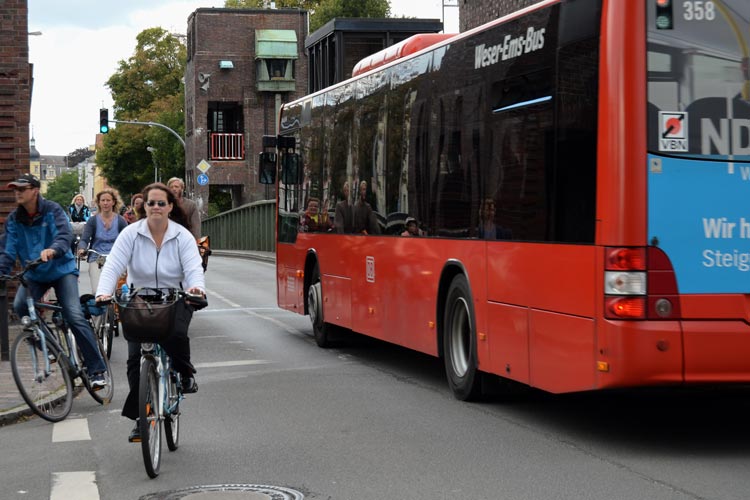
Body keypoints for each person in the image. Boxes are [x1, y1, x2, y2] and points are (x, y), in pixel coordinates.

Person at [95, 182, 205, 443]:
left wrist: (196, 289)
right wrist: (103, 292)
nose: (156, 207)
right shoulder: (131, 234)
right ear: (144, 206)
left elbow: (193, 268)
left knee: (177, 334)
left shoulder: (182, 236)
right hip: (139, 299)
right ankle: (140, 418)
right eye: (151, 203)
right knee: (135, 359)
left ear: (170, 207)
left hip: (175, 296)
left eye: (161, 203)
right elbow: (113, 266)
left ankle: (184, 372)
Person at [0, 174, 108, 388]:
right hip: (34, 274)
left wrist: (54, 249)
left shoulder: (52, 210)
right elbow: (8, 250)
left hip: (61, 270)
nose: (18, 193)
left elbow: (64, 234)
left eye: (23, 188)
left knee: (74, 315)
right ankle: (50, 346)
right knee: (21, 307)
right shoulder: (14, 219)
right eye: (16, 189)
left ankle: (97, 370)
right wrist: (2, 270)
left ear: (35, 191)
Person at [77, 188, 128, 294]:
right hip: (96, 258)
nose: (105, 203)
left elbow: (127, 240)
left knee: (115, 292)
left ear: (113, 202)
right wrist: (82, 248)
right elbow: (85, 239)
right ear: (99, 203)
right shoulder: (93, 221)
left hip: (116, 259)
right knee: (97, 291)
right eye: (103, 200)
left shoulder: (121, 221)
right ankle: (99, 308)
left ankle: (114, 310)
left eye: (108, 200)